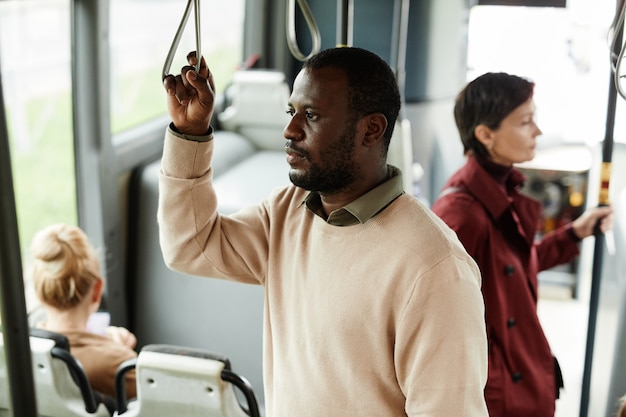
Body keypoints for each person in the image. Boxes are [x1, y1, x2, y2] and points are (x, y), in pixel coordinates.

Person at [159, 47, 489, 416]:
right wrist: (190, 134)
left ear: (371, 130)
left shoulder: (436, 270)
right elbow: (189, 246)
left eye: (311, 115)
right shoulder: (288, 211)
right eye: (291, 112)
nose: (290, 130)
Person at [431, 72, 613, 417]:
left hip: (519, 379)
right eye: (526, 122)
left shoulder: (496, 193)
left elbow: (510, 270)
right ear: (486, 135)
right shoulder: (461, 213)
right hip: (499, 396)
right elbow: (444, 322)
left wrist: (573, 234)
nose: (538, 132)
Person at [30, 223, 137, 403]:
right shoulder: (118, 364)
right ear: (96, 291)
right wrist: (118, 352)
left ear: (39, 292)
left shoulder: (22, 351)